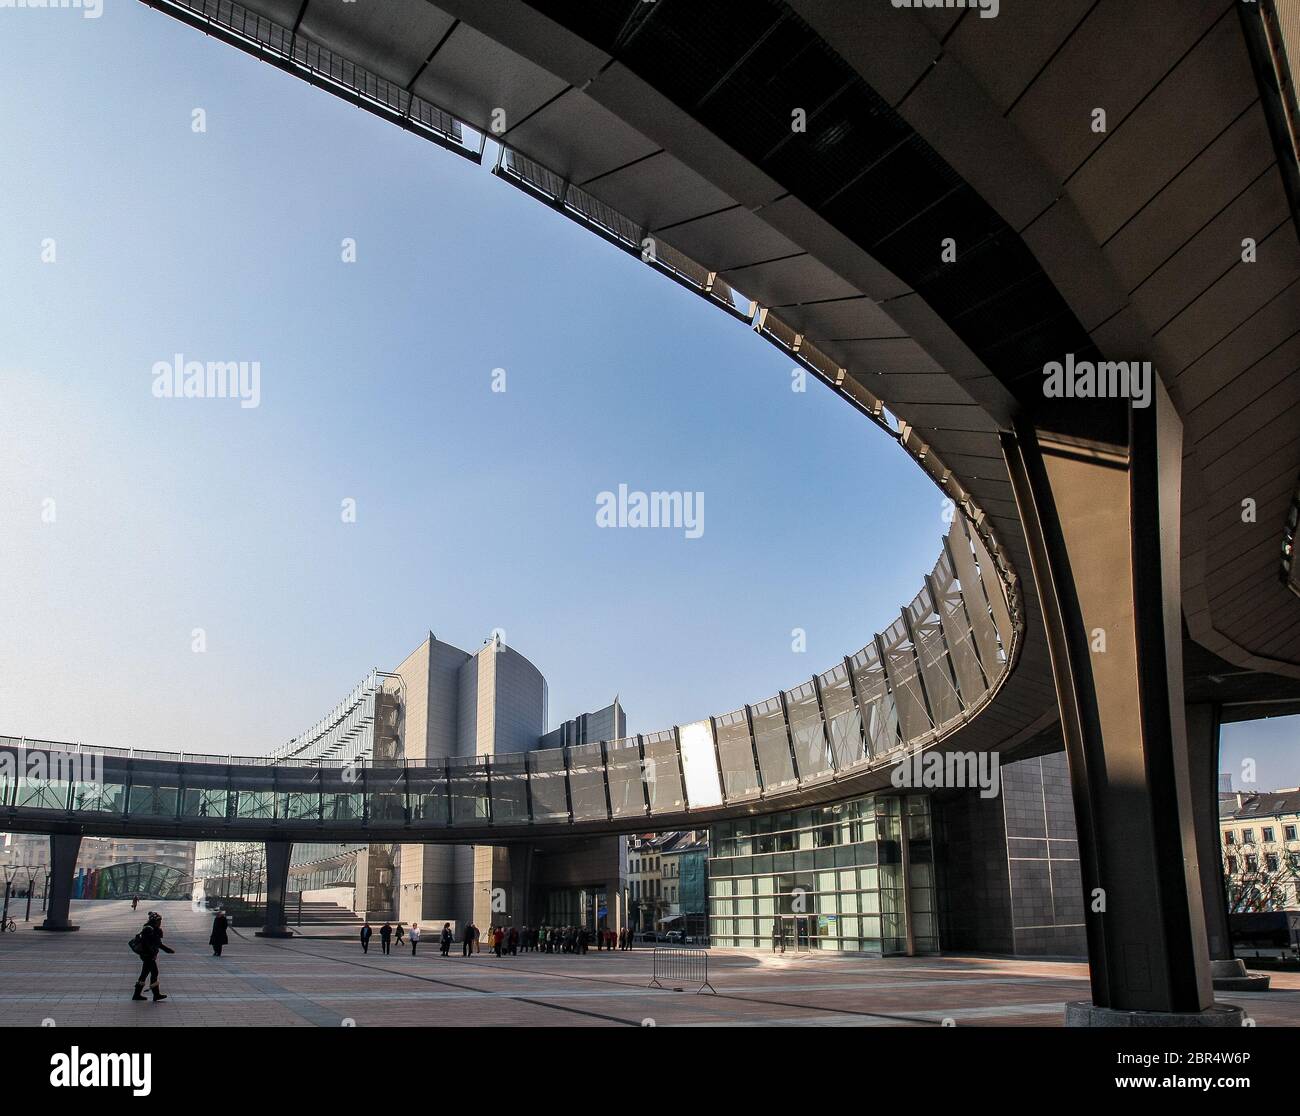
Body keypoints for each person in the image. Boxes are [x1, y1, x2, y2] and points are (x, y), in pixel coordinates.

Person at [131, 911, 175, 1002]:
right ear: (154, 921)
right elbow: (147, 943)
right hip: (148, 955)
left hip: (149, 955)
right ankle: (155, 994)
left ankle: (138, 994)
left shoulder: (153, 929)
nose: (160, 923)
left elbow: (158, 943)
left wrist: (167, 950)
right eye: (158, 921)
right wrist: (152, 953)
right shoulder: (149, 929)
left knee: (145, 973)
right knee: (153, 972)